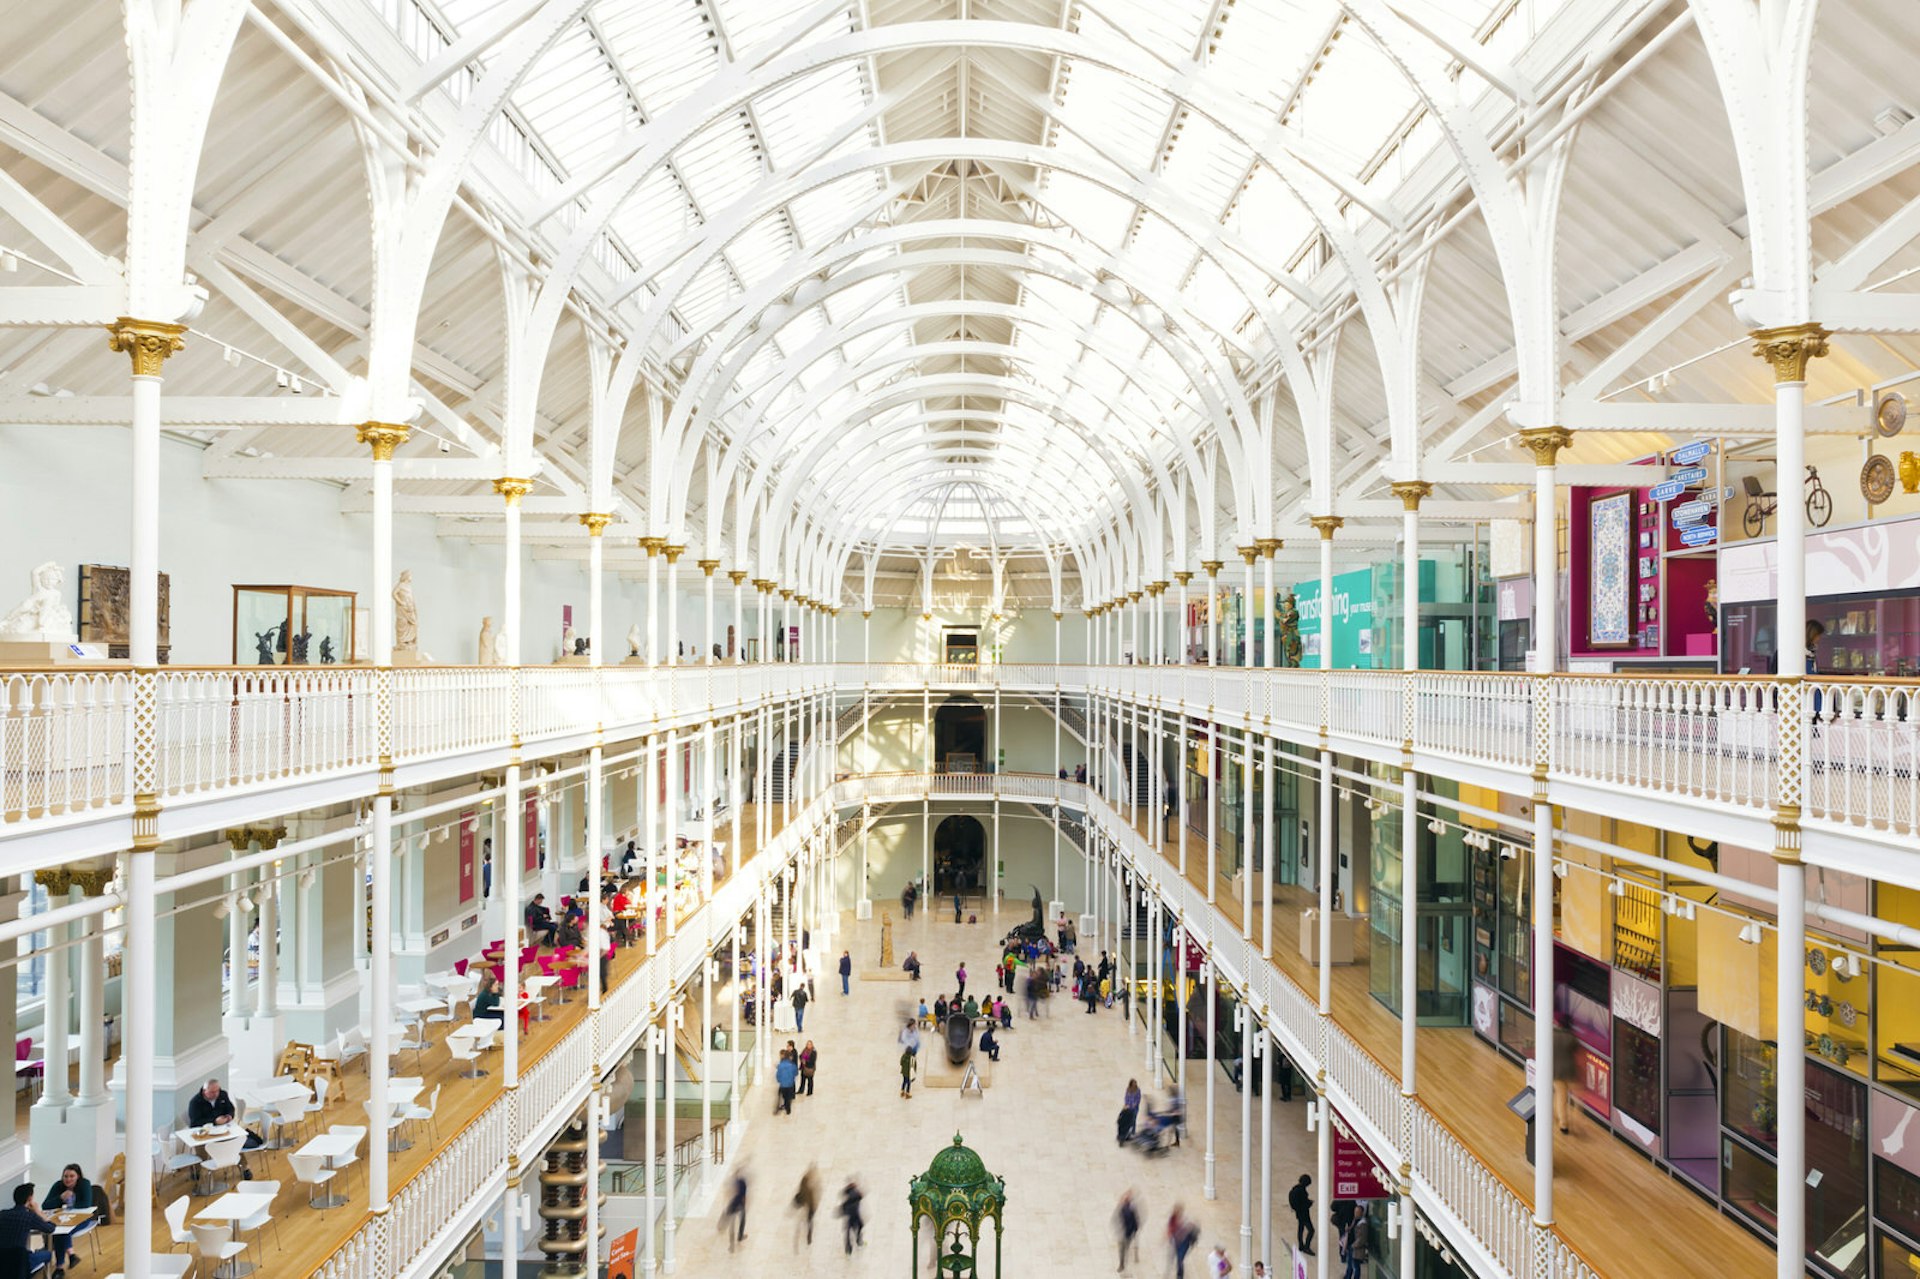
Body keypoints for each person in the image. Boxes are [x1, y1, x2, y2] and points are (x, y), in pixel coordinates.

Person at [40, 1164, 92, 1272]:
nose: (68, 1179)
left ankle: (60, 1267)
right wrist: (60, 1198)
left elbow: (86, 1203)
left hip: (83, 1217)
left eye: (72, 1176)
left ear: (78, 1176)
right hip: (62, 1218)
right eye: (65, 1176)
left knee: (62, 1232)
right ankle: (71, 1255)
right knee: (61, 1230)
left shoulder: (84, 1184)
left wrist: (70, 1206)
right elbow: (45, 1205)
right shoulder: (58, 1186)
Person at [188, 1079, 264, 1151]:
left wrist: (229, 1116)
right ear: (204, 1091)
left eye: (217, 1091)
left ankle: (237, 1150)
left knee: (255, 1142)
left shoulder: (223, 1094)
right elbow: (195, 1122)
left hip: (226, 1128)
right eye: (212, 1092)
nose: (216, 1094)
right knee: (249, 1143)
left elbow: (230, 1108)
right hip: (209, 1133)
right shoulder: (195, 1102)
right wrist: (214, 1121)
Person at [0, 1184, 56, 1279]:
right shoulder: (29, 1217)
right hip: (21, 1261)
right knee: (48, 1254)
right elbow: (50, 1228)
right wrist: (38, 1211)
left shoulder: (2, 1214)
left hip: (3, 1261)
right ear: (30, 1199)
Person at [1553, 1019, 1577, 1134]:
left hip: (1555, 1072)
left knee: (1560, 1094)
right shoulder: (1570, 1038)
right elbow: (1575, 1048)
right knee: (1565, 1096)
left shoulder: (1552, 1035)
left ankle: (1562, 1121)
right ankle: (1563, 1121)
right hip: (1569, 1072)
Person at [791, 1165, 819, 1248]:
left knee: (808, 1221)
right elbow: (811, 1198)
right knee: (809, 1221)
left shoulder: (804, 1184)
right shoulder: (809, 1189)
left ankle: (809, 1235)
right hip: (810, 1206)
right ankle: (809, 1235)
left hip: (807, 1205)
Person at [1289, 1174, 1315, 1255]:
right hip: (1304, 1213)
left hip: (1299, 1213)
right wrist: (1309, 1203)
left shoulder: (1295, 1189)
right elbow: (1303, 1203)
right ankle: (1306, 1247)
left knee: (1301, 1228)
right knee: (1311, 1230)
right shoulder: (1301, 1191)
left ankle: (1301, 1245)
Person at [838, 1179, 865, 1253]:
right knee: (859, 1226)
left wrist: (841, 1211)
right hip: (855, 1215)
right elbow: (860, 1196)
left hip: (850, 1216)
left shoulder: (849, 1195)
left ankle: (848, 1247)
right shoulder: (854, 1194)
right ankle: (858, 1241)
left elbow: (844, 1206)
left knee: (848, 1231)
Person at [722, 1172, 748, 1251]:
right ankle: (739, 1237)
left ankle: (732, 1245)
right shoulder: (742, 1184)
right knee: (742, 1221)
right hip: (739, 1205)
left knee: (732, 1225)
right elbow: (744, 1197)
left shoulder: (735, 1183)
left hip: (734, 1204)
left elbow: (730, 1193)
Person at [1341, 1209, 1369, 1279]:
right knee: (1350, 1264)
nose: (1355, 1214)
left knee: (1356, 1266)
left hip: (1356, 1249)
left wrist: (1353, 1246)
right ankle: (1348, 1276)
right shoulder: (1355, 1220)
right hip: (1351, 1246)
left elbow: (1361, 1239)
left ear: (1362, 1213)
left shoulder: (1363, 1224)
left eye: (1357, 1212)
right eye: (1355, 1212)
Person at [774, 1050, 798, 1114]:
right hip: (790, 1084)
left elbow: (778, 1075)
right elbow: (796, 1073)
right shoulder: (792, 1065)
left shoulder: (781, 1065)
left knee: (782, 1095)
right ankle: (788, 1110)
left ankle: (780, 1107)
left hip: (783, 1084)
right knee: (788, 1097)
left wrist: (779, 1080)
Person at [1119, 1078, 1142, 1145]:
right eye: (1133, 1084)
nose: (1135, 1085)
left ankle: (1133, 1132)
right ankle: (1125, 1133)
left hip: (1134, 1109)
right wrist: (1126, 1105)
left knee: (1133, 1120)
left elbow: (1138, 1100)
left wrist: (1132, 1105)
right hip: (1128, 1108)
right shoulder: (1128, 1090)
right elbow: (1126, 1098)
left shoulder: (1138, 1091)